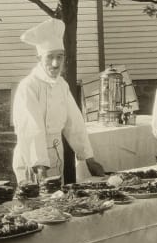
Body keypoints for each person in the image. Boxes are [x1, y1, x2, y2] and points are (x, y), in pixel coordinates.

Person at [11, 20, 107, 185]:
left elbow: (74, 122)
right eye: (50, 57)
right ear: (39, 58)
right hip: (32, 157)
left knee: (57, 199)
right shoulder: (28, 86)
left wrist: (89, 158)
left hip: (56, 154)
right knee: (36, 198)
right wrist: (40, 166)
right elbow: (32, 128)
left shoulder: (62, 85)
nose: (55, 64)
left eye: (60, 57)